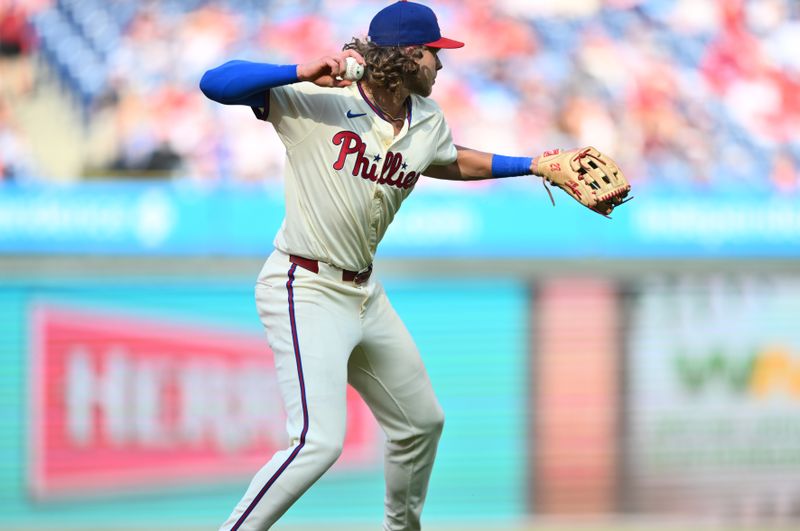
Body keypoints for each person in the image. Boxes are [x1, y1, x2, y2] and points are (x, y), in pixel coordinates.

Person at [201, 2, 600, 529]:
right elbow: (215, 82)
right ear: (412, 55)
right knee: (317, 443)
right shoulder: (317, 99)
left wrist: (529, 165)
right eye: (436, 54)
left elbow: (449, 159)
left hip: (365, 294)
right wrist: (301, 70)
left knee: (420, 423)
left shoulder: (426, 118)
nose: (442, 64)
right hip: (305, 285)